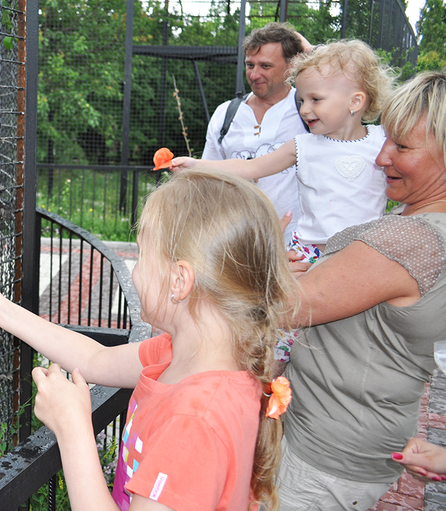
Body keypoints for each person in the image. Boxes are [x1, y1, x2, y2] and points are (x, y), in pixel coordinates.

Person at [0, 171, 296, 510]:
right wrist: (0, 310)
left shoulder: (195, 423)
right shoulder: (181, 356)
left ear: (179, 281)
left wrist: (72, 429)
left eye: (143, 254)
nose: (135, 269)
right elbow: (94, 360)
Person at [274, 71, 446, 509]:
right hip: (368, 439)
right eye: (386, 139)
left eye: (402, 147)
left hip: (323, 453)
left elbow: (285, 307)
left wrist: (261, 258)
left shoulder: (411, 241)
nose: (381, 157)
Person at [174, 39, 394, 368]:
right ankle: (268, 392)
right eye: (302, 99)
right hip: (309, 253)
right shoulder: (303, 145)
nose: (304, 109)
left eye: (315, 99)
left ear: (356, 101)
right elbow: (251, 168)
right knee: (282, 338)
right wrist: (198, 165)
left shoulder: (382, 142)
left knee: (349, 333)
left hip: (361, 255)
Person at [201, 22, 309, 244]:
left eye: (266, 66)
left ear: (292, 65)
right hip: (236, 240)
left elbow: (347, 74)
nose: (254, 74)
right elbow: (207, 177)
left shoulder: (308, 108)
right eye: (250, 65)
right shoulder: (225, 114)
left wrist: (309, 50)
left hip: (296, 241)